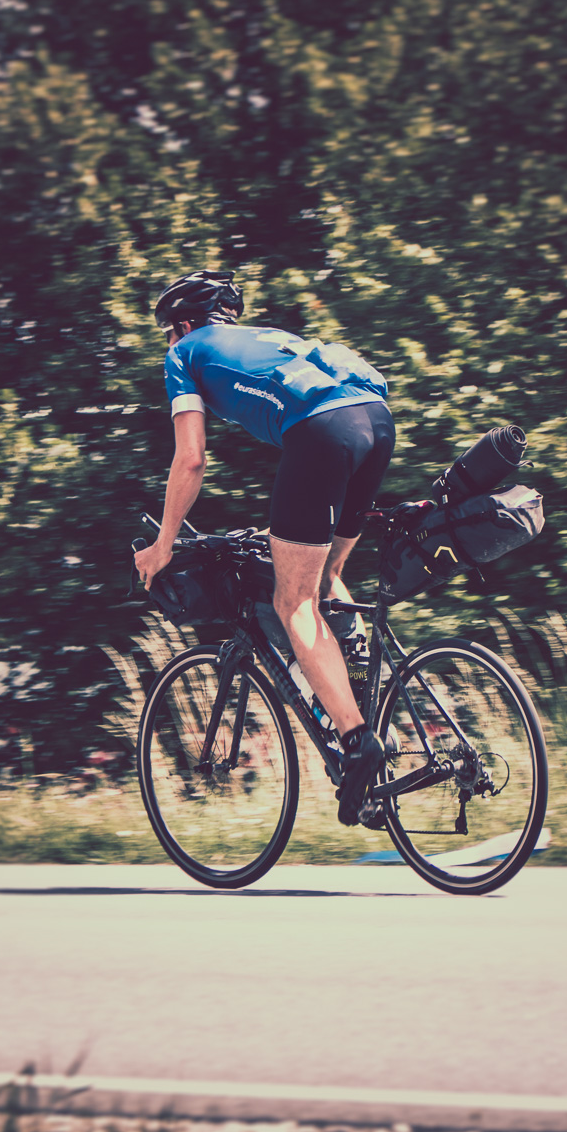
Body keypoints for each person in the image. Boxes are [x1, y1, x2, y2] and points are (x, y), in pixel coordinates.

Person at [132, 269, 393, 826]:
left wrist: (163, 544)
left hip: (322, 431)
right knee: (325, 580)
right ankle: (372, 691)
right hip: (375, 420)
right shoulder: (266, 339)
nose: (168, 343)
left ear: (181, 325)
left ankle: (357, 743)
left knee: (292, 601)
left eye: (167, 333)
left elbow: (192, 458)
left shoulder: (184, 353)